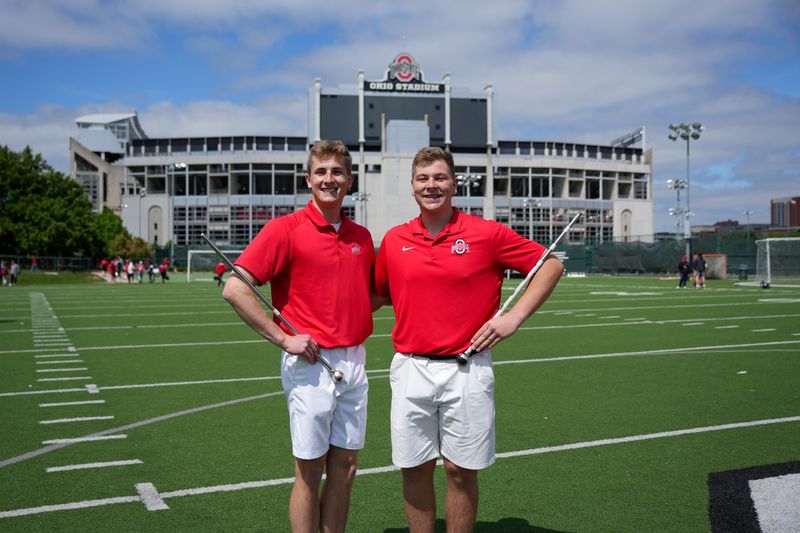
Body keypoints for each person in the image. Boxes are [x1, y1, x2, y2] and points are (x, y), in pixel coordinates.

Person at [374, 147, 564, 532]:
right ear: (412, 186)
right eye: (423, 178)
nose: (431, 186)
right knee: (414, 468)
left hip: (468, 369)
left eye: (440, 178)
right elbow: (377, 295)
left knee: (460, 471)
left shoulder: (487, 233)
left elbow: (551, 264)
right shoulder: (394, 239)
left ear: (455, 184)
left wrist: (513, 319)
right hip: (410, 368)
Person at [222, 140, 375, 533]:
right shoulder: (284, 229)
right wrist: (283, 338)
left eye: (337, 171)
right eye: (321, 171)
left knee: (346, 468)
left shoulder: (361, 236)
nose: (329, 179)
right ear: (308, 179)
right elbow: (235, 289)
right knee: (309, 470)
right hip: (310, 363)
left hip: (354, 361)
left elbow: (368, 296)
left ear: (349, 180)